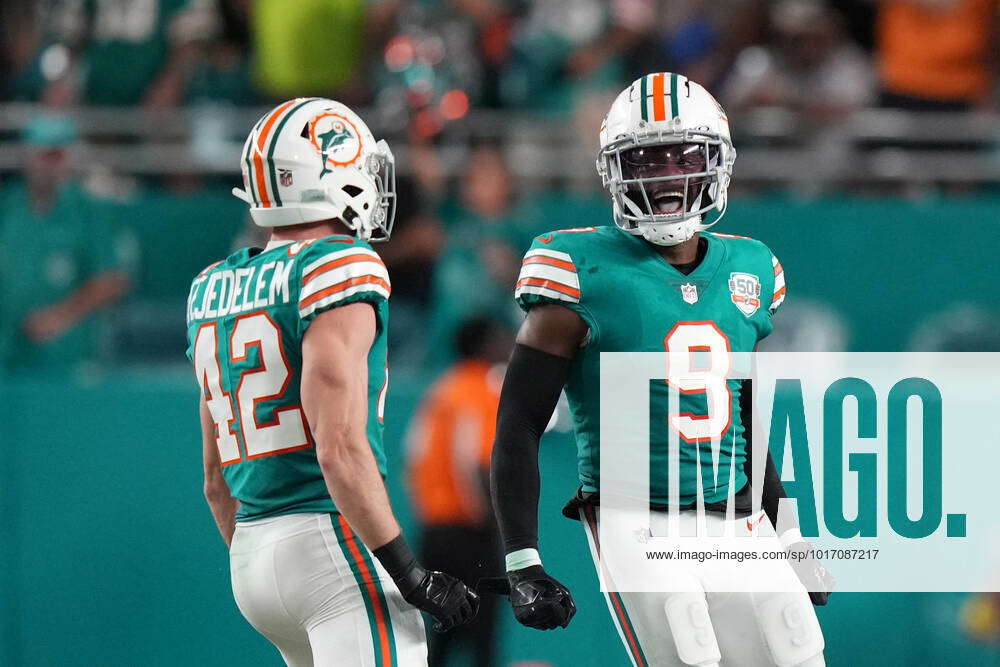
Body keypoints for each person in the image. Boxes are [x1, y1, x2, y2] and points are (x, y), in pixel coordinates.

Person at [489, 73, 833, 666]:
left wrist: (790, 529)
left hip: (739, 524)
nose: (667, 176)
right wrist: (523, 558)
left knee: (796, 652)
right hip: (637, 519)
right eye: (646, 160)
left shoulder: (750, 267)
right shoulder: (576, 265)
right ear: (616, 171)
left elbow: (747, 421)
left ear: (716, 164)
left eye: (683, 157)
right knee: (690, 655)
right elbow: (518, 422)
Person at [185, 98, 478, 666]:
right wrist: (411, 575)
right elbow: (339, 449)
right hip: (329, 540)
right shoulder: (341, 264)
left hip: (250, 552)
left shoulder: (211, 286)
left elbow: (215, 480)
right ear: (329, 175)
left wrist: (266, 560)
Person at [406, 318, 512, 667]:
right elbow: (477, 464)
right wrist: (498, 529)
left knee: (440, 639)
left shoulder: (441, 389)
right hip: (472, 533)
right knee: (483, 643)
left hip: (435, 532)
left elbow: (412, 456)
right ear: (481, 345)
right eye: (499, 337)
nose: (507, 344)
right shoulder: (481, 388)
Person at [0, 115, 133, 374]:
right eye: (43, 155)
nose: (49, 165)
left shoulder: (88, 212)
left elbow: (114, 278)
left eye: (57, 155)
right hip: (8, 354)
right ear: (27, 157)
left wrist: (60, 316)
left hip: (66, 357)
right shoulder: (8, 206)